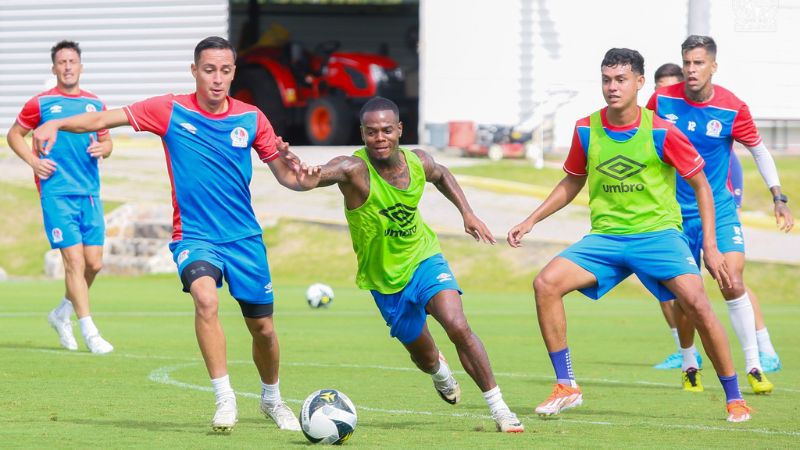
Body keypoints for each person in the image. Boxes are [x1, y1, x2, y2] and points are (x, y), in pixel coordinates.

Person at [32, 36, 310, 433]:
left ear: (234, 73)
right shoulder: (169, 109)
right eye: (209, 70)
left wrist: (307, 178)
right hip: (194, 236)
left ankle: (271, 398)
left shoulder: (252, 118)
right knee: (205, 299)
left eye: (225, 71)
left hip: (245, 239)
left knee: (263, 329)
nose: (217, 79)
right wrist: (57, 122)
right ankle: (224, 397)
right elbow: (100, 120)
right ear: (194, 71)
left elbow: (286, 175)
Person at [507, 48, 752, 423]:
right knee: (546, 283)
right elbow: (573, 180)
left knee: (698, 305)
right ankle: (566, 385)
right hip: (606, 239)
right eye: (606, 79)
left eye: (621, 80)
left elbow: (702, 185)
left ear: (639, 83)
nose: (612, 87)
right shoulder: (586, 128)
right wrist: (531, 219)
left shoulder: (661, 131)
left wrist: (713, 247)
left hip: (658, 236)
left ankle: (735, 398)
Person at [286, 96, 525, 433]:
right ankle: (440, 373)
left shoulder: (418, 162)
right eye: (371, 132)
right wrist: (299, 172)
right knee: (424, 358)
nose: (379, 138)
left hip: (424, 258)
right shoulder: (353, 170)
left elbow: (441, 175)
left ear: (399, 130)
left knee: (457, 324)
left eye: (386, 130)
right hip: (385, 282)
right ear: (362, 134)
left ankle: (500, 408)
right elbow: (314, 177)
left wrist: (467, 213)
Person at [647, 36, 793, 393]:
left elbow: (759, 151)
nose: (691, 69)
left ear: (713, 66)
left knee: (733, 280)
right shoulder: (663, 100)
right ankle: (688, 363)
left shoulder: (732, 107)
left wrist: (778, 196)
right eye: (687, 63)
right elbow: (641, 140)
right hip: (673, 215)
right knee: (686, 296)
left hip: (720, 210)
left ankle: (754, 367)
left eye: (698, 63)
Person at [6, 40, 114, 355]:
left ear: (81, 66)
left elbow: (107, 142)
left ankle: (61, 314)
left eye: (72, 61)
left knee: (94, 263)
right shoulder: (40, 103)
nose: (67, 66)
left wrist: (102, 148)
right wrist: (33, 161)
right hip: (56, 192)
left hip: (90, 193)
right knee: (74, 261)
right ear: (54, 68)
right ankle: (90, 332)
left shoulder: (95, 104)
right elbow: (14, 134)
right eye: (62, 62)